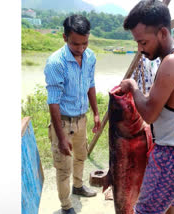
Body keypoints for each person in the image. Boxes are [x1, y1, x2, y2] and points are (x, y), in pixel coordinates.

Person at [120, 1, 174, 214]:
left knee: (145, 211)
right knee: (172, 204)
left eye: (143, 42)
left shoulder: (171, 63)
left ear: (163, 33)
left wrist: (133, 87)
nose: (141, 49)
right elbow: (160, 101)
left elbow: (150, 114)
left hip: (172, 155)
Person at [44, 14, 100, 214]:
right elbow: (53, 102)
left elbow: (90, 85)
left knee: (81, 157)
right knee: (63, 168)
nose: (81, 48)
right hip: (64, 123)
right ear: (64, 37)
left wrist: (95, 113)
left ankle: (78, 186)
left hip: (82, 119)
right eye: (76, 44)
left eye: (85, 43)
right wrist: (60, 137)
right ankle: (66, 206)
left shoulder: (90, 56)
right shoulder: (56, 63)